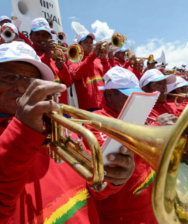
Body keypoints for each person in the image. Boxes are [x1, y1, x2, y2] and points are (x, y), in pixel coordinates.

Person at [0, 41, 135, 223]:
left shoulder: (61, 130)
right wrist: (23, 130)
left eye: (31, 81)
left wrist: (113, 179)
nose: (23, 88)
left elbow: (96, 190)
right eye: (11, 78)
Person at [86, 66, 158, 224]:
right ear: (109, 94)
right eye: (130, 96)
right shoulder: (94, 123)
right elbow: (100, 183)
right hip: (121, 218)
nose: (137, 101)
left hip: (153, 213)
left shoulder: (147, 115)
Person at [29, 17, 72, 104]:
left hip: (61, 106)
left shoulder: (56, 53)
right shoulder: (28, 53)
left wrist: (62, 68)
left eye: (44, 35)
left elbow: (68, 83)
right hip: (41, 105)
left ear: (49, 37)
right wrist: (46, 57)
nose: (40, 38)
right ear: (31, 36)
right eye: (37, 34)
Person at [67, 32, 111, 111]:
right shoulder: (74, 59)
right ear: (79, 46)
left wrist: (104, 59)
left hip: (104, 103)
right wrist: (93, 55)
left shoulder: (98, 59)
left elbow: (109, 77)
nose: (89, 45)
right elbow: (77, 75)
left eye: (91, 42)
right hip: (87, 106)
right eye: (86, 42)